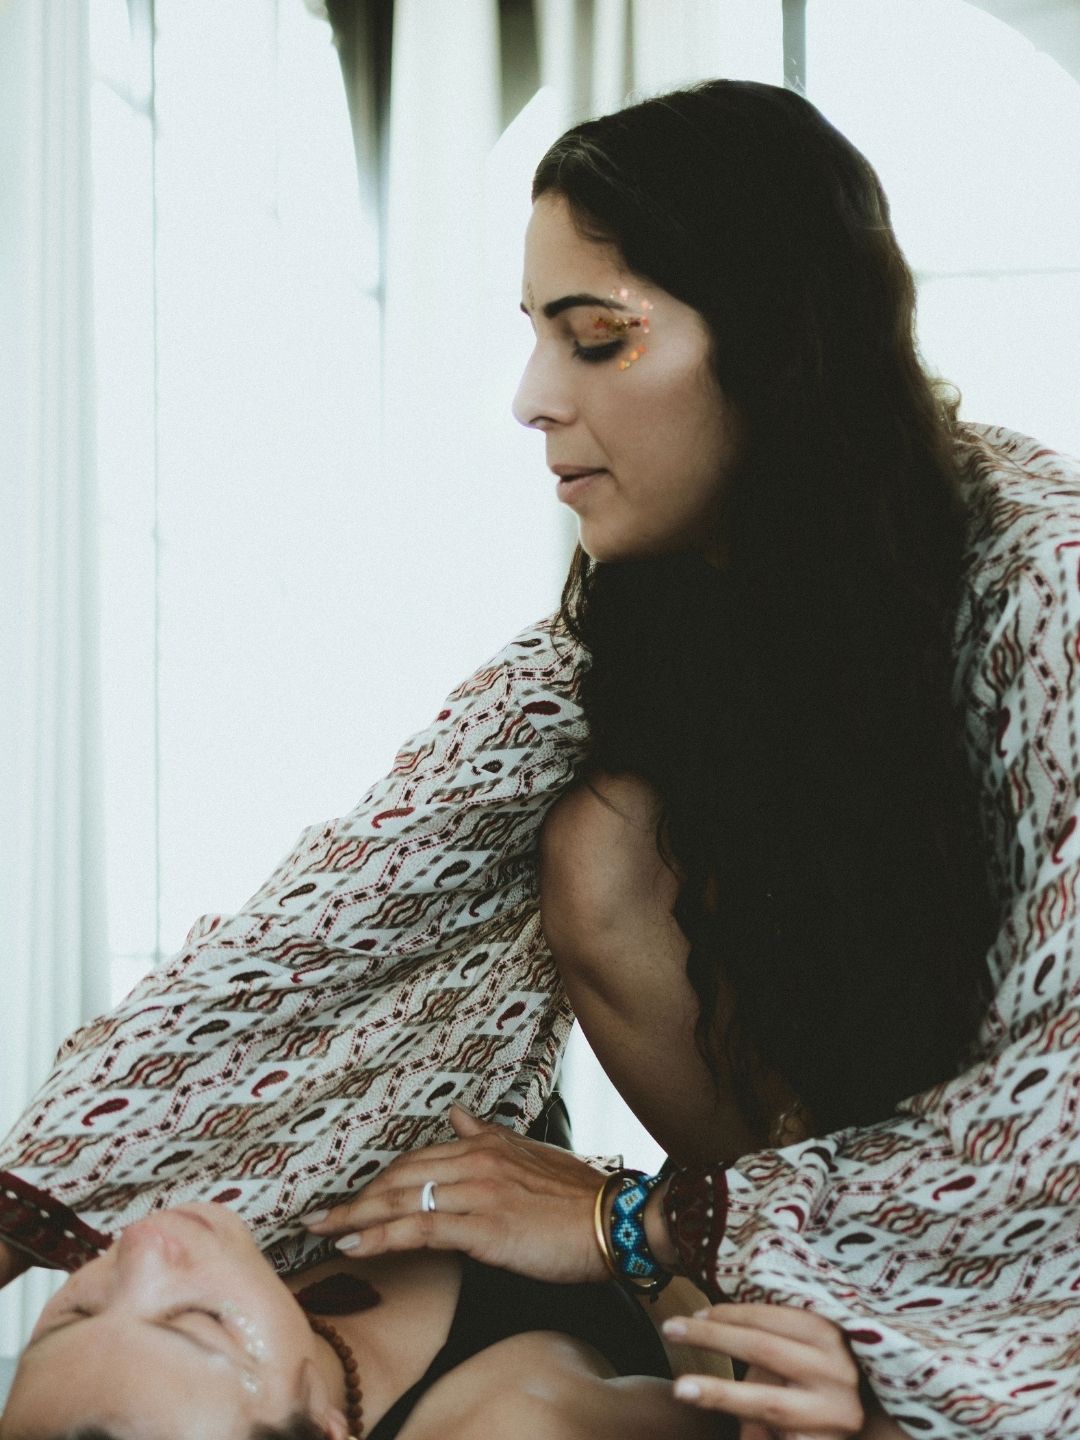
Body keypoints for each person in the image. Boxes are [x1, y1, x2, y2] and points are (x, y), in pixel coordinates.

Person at [1, 75, 1078, 1437]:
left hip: (1038, 1233)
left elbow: (1066, 1105)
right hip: (810, 1180)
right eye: (534, 337)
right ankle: (781, 1304)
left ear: (778, 344)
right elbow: (364, 893)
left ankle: (826, 1320)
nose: (531, 398)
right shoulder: (655, 600)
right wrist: (26, 1193)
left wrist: (636, 1225)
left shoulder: (1044, 582)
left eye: (593, 339)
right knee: (597, 840)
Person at [0, 1194, 715, 1440]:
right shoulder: (513, 1425)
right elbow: (749, 1368)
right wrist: (616, 1215)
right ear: (321, 1428)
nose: (143, 1249)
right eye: (198, 1322)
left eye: (77, 1312)